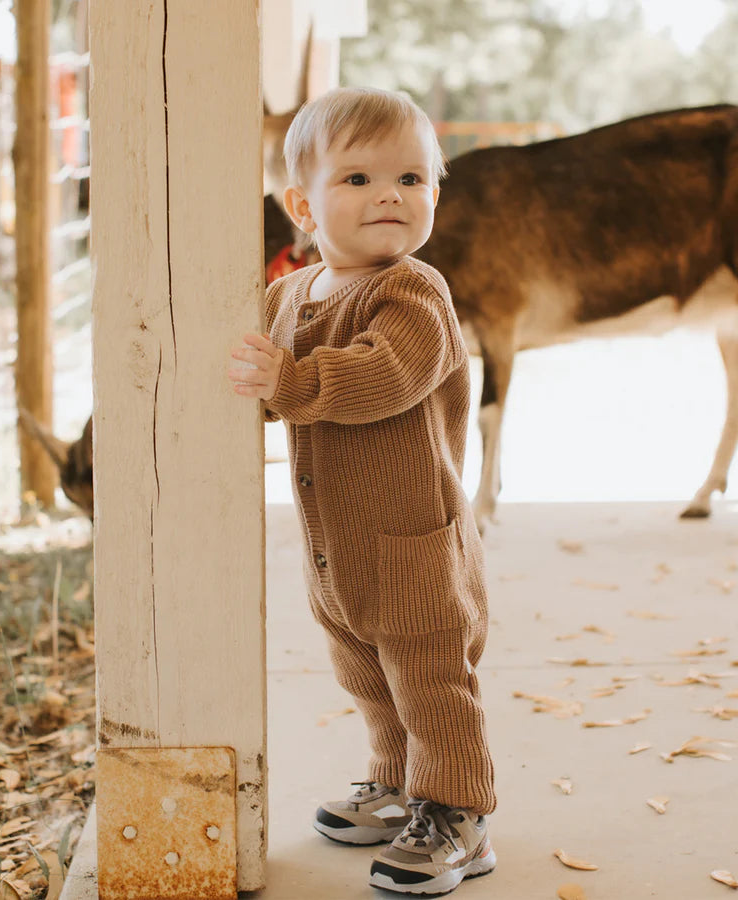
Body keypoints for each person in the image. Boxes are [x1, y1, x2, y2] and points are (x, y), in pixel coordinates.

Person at [229, 86, 496, 896]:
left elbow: (386, 376)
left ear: (435, 194)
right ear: (302, 207)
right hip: (336, 549)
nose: (390, 195)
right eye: (359, 179)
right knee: (370, 677)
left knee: (431, 683)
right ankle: (396, 781)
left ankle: (457, 812)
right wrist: (264, 383)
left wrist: (290, 381)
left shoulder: (413, 292)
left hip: (415, 545)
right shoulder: (287, 295)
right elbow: (274, 382)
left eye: (412, 178)